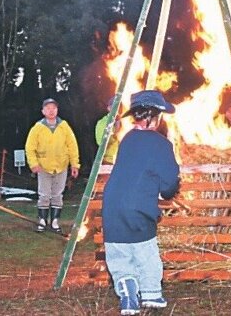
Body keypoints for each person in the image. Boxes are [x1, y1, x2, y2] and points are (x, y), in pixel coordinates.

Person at [102, 90, 180, 314]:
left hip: (112, 206)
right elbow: (168, 184)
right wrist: (170, 189)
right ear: (155, 117)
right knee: (145, 251)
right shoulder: (161, 144)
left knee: (119, 252)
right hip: (139, 207)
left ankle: (127, 287)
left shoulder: (127, 139)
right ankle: (151, 292)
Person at [24, 97, 80, 233]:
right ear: (43, 111)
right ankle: (42, 221)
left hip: (61, 166)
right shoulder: (37, 128)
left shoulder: (64, 126)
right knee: (44, 194)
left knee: (57, 194)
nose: (51, 111)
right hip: (43, 167)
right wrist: (34, 164)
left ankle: (55, 221)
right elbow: (29, 147)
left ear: (57, 110)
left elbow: (72, 146)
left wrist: (75, 164)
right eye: (48, 108)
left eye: (53, 108)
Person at [94, 100, 121, 165]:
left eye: (119, 106)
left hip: (123, 160)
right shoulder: (102, 122)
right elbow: (101, 142)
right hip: (109, 162)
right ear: (109, 108)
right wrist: (115, 133)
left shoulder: (125, 121)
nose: (118, 109)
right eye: (115, 106)